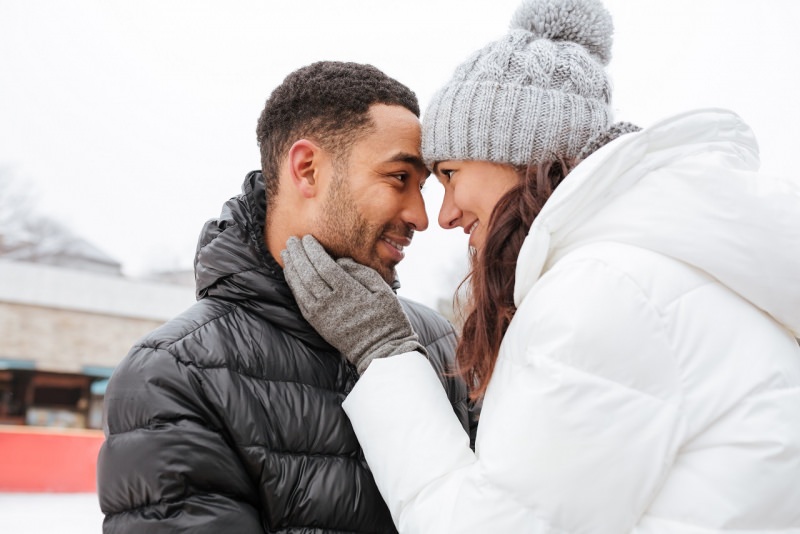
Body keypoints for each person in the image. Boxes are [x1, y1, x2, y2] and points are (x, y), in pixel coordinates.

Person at [281, 0, 800, 532]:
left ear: (519, 154)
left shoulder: (603, 291)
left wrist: (384, 353)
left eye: (451, 173)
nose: (445, 213)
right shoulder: (650, 266)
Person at [96, 61, 474, 533]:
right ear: (307, 169)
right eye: (399, 177)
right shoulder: (172, 376)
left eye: (424, 187)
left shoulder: (440, 347)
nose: (422, 216)